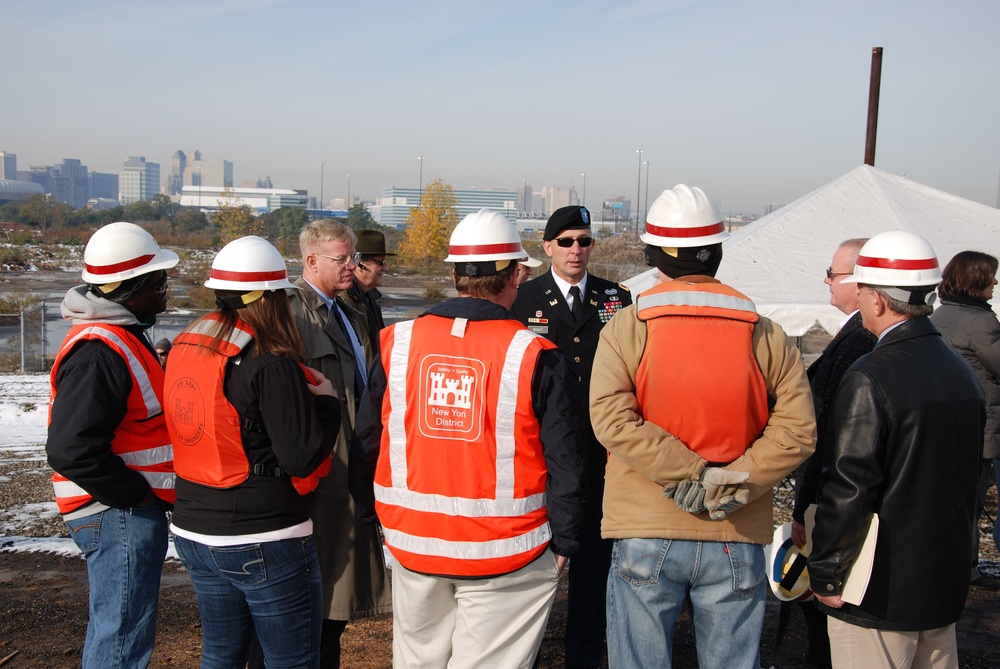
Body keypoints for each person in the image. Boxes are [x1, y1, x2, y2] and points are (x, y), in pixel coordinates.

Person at [590, 185, 816, 669]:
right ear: (717, 252)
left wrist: (692, 473)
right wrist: (729, 481)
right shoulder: (764, 331)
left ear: (651, 254)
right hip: (735, 529)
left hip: (646, 523)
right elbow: (797, 431)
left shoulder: (629, 326)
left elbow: (612, 420)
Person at [353, 208, 589, 668]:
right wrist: (566, 542)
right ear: (515, 275)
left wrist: (374, 518)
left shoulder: (397, 342)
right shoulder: (534, 354)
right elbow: (567, 459)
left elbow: (367, 440)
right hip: (508, 553)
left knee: (418, 661)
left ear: (456, 272)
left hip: (414, 544)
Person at [808, 231, 985, 669]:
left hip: (877, 594)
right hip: (941, 586)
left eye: (864, 289)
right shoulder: (960, 370)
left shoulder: (871, 375)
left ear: (879, 301)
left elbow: (849, 486)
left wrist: (827, 572)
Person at [165, 236, 340, 667]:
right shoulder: (271, 360)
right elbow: (303, 456)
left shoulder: (189, 343)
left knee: (221, 654)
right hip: (265, 535)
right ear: (273, 298)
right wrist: (329, 404)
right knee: (292, 660)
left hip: (193, 529)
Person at [46, 221, 178, 668]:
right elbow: (71, 448)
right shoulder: (99, 351)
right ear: (128, 289)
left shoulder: (121, 337)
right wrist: (135, 495)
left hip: (121, 511)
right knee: (121, 636)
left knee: (124, 630)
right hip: (115, 513)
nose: (165, 291)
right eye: (158, 282)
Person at [512, 204, 631, 668]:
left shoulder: (616, 299)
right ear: (547, 247)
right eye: (565, 242)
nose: (576, 250)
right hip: (541, 455)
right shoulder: (524, 299)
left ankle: (583, 657)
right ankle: (528, 655)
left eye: (584, 241)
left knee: (593, 567)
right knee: (535, 568)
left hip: (601, 455)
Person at [287, 219, 392, 669]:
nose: (353, 265)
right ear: (311, 261)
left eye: (353, 257)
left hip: (352, 468)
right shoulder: (290, 312)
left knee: (334, 600)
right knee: (314, 599)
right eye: (342, 259)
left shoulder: (348, 311)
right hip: (320, 473)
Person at [787, 239, 876, 668]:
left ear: (861, 284)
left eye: (834, 273)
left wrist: (805, 507)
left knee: (828, 620)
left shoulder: (860, 342)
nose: (827, 279)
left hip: (831, 499)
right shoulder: (856, 335)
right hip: (829, 496)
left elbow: (831, 438)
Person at [931, 250, 1000, 590]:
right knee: (969, 503)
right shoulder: (981, 323)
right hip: (979, 424)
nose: (996, 283)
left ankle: (947, 564)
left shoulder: (940, 315)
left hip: (947, 423)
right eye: (991, 276)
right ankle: (966, 568)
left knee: (951, 500)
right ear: (976, 280)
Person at [342, 228, 395, 363]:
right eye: (381, 262)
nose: (385, 268)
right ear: (359, 263)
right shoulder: (342, 301)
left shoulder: (370, 298)